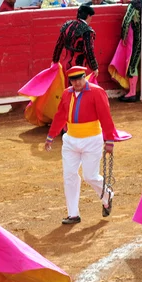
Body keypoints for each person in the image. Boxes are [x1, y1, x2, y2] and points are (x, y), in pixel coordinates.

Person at [44, 66, 116, 224]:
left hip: (92, 140)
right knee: (69, 176)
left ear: (85, 77)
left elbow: (105, 116)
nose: (76, 82)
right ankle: (73, 214)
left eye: (79, 78)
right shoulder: (66, 93)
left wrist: (109, 140)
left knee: (90, 176)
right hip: (70, 140)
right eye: (73, 80)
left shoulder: (97, 92)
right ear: (70, 81)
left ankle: (107, 195)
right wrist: (51, 136)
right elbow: (60, 116)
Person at [51, 5, 99, 78]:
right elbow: (88, 50)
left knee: (68, 87)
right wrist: (94, 67)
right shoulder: (87, 31)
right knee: (78, 87)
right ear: (88, 16)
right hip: (79, 66)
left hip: (66, 64)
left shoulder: (67, 25)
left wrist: (55, 60)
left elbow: (59, 45)